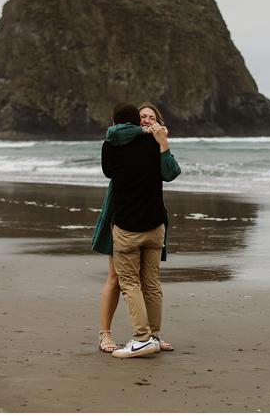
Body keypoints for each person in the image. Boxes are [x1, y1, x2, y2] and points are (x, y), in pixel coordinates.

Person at [93, 103, 180, 353]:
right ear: (133, 121)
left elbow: (170, 173)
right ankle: (105, 334)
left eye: (152, 117)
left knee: (145, 282)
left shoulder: (154, 143)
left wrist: (162, 142)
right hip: (121, 219)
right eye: (142, 117)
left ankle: (148, 336)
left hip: (141, 223)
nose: (147, 121)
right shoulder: (122, 142)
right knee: (116, 279)